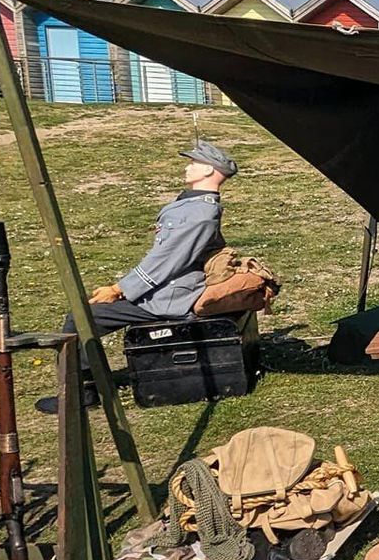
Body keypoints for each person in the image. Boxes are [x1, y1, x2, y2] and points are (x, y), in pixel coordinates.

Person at [38, 140, 236, 412]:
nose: (187, 167)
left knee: (81, 319)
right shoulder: (194, 206)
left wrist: (119, 289)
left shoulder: (200, 214)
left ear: (209, 171)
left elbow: (165, 263)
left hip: (171, 297)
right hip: (166, 289)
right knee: (83, 313)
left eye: (193, 164)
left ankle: (80, 392)